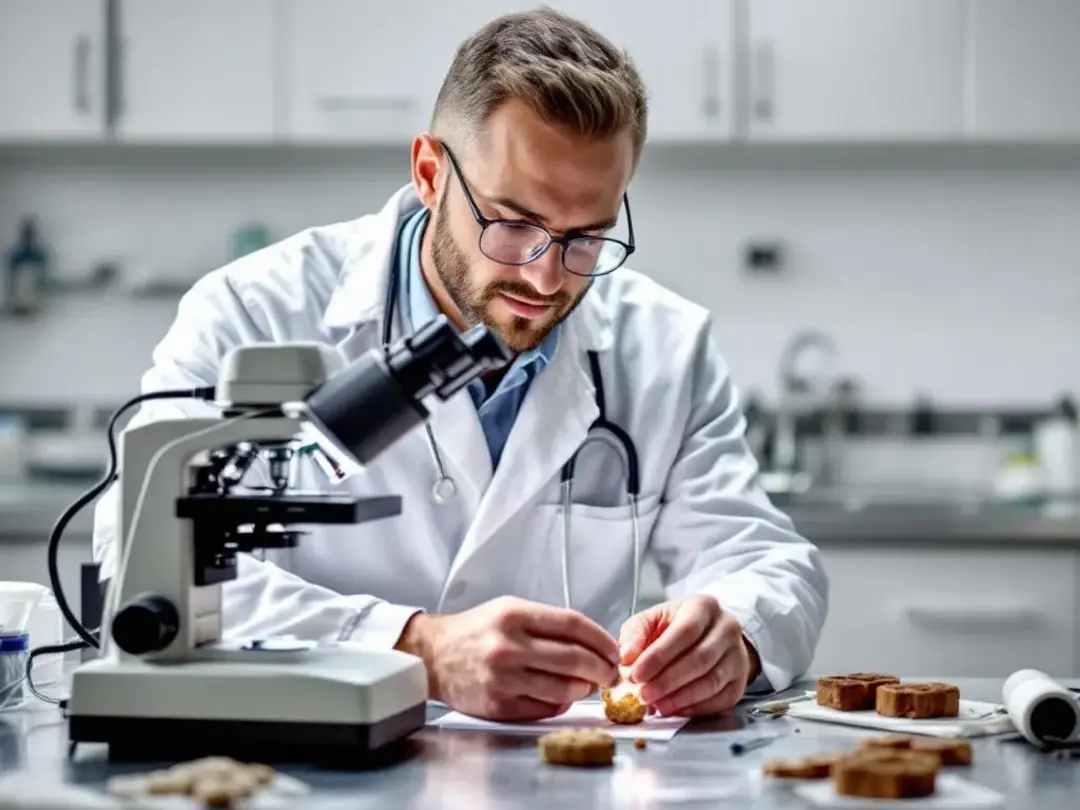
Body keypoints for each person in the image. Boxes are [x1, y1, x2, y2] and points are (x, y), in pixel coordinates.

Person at [92, 8, 827, 722]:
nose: (546, 277)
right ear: (429, 173)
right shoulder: (251, 311)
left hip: (559, 776)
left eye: (586, 237)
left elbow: (767, 560)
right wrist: (416, 647)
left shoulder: (664, 345)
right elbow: (139, 555)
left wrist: (733, 636)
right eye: (513, 224)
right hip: (304, 763)